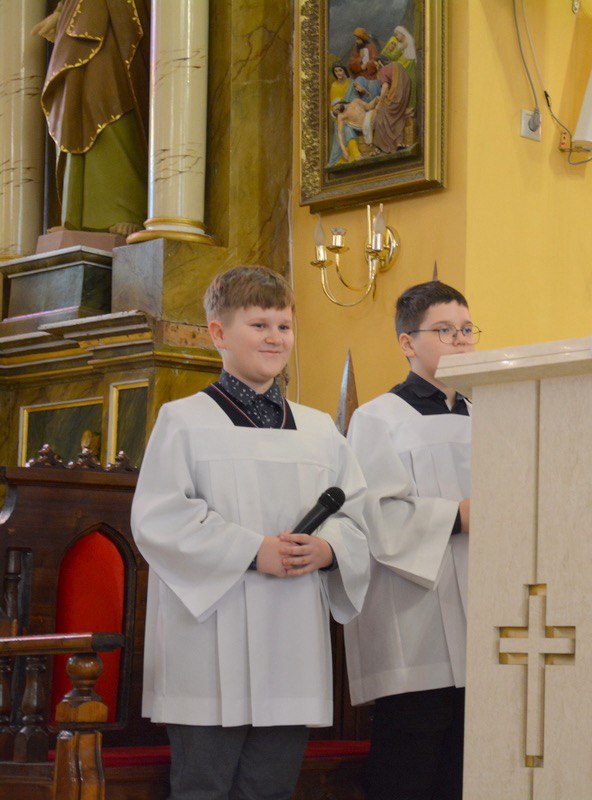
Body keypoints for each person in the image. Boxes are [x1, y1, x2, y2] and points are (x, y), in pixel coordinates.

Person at [131, 266, 372, 800]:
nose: (274, 338)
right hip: (208, 638)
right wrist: (252, 550)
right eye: (259, 325)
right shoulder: (184, 420)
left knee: (271, 787)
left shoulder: (319, 429)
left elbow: (358, 514)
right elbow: (159, 518)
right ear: (219, 333)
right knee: (204, 787)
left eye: (284, 326)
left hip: (291, 638)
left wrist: (329, 548)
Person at [344, 281, 478, 800]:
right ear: (407, 343)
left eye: (466, 329)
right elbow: (374, 514)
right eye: (444, 330)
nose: (460, 340)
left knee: (464, 771)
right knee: (409, 768)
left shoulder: (490, 414)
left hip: (480, 608)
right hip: (414, 613)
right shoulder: (378, 419)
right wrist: (456, 517)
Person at [33, 0, 149, 235]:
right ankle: (75, 217)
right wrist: (61, 11)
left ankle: (126, 210)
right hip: (77, 20)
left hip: (115, 23)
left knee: (112, 102)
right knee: (76, 111)